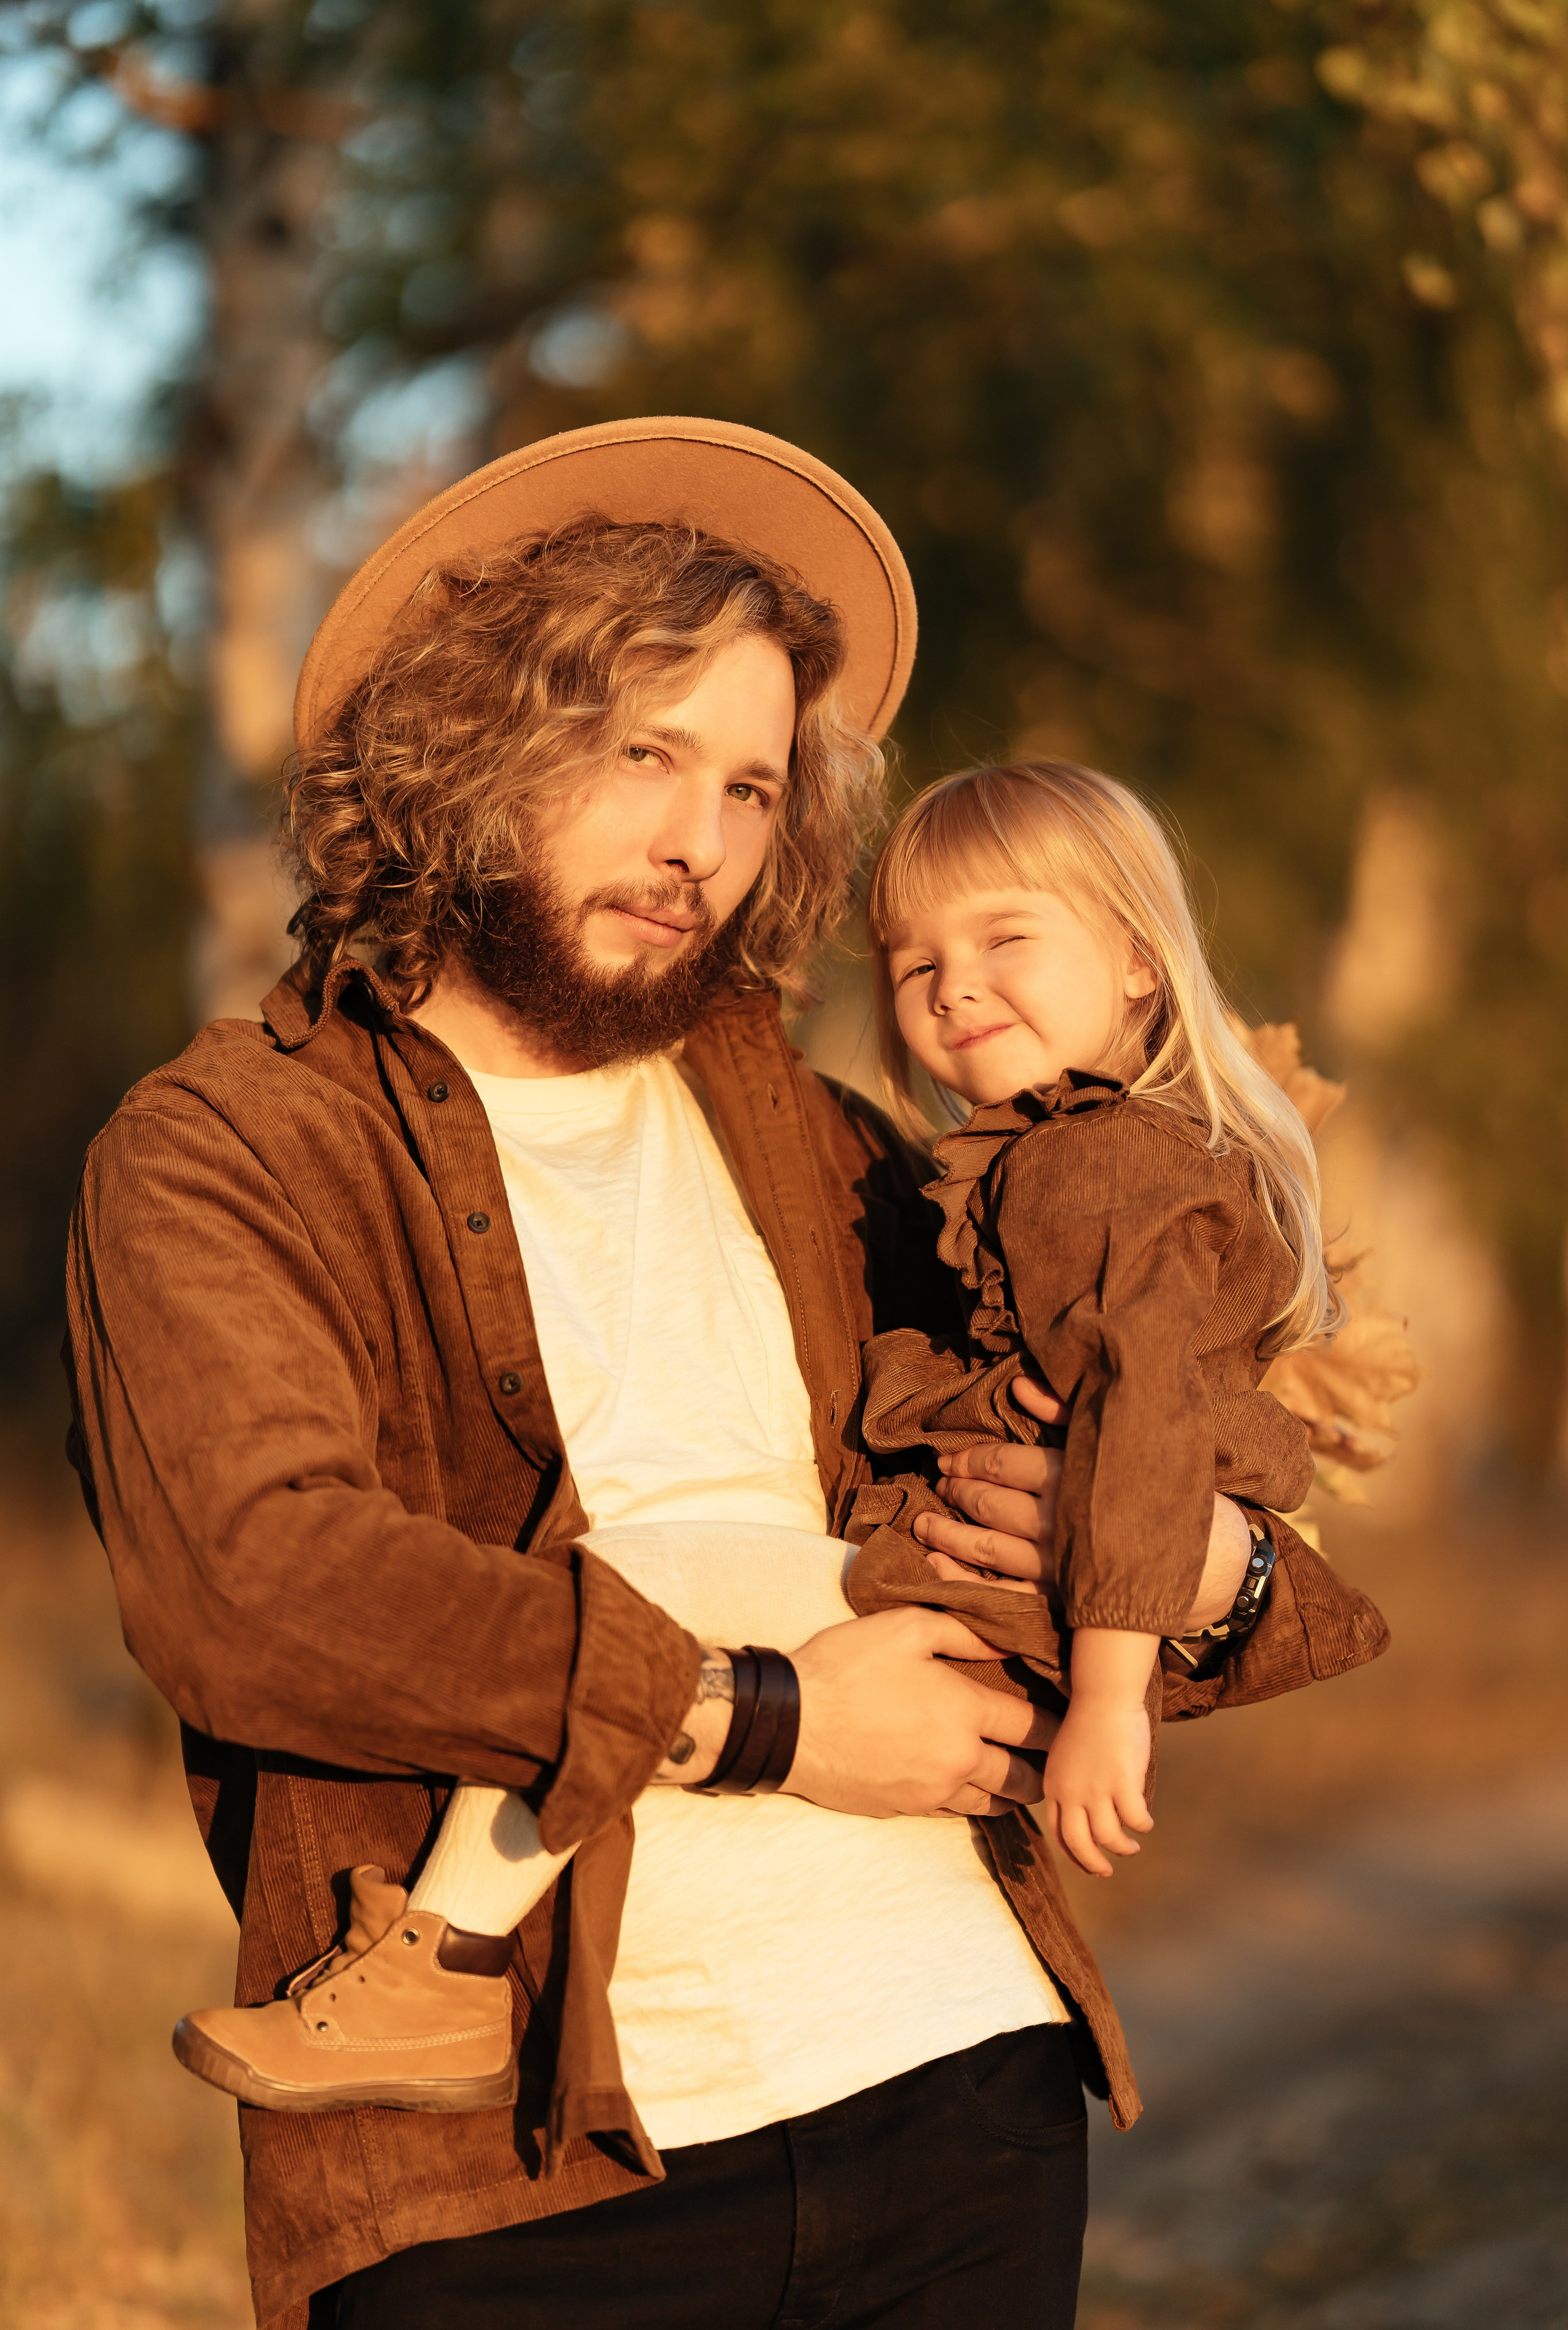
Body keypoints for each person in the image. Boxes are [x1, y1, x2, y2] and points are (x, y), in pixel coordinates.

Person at [63, 420, 1388, 2330]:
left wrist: (1214, 1579)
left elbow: (1167, 1499)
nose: (701, 842)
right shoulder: (227, 1150)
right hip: (497, 2170)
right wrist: (763, 1718)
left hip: (954, 2074)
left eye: (756, 787)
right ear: (469, 738)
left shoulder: (823, 1138)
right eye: (642, 757)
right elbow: (256, 1588)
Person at [846, 758, 1339, 1883]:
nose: (952, 987)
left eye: (1003, 939)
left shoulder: (1086, 1159)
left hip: (1024, 1606)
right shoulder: (1140, 1144)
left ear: (1135, 959)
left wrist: (1115, 1700)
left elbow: (1140, 1410)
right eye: (917, 960)